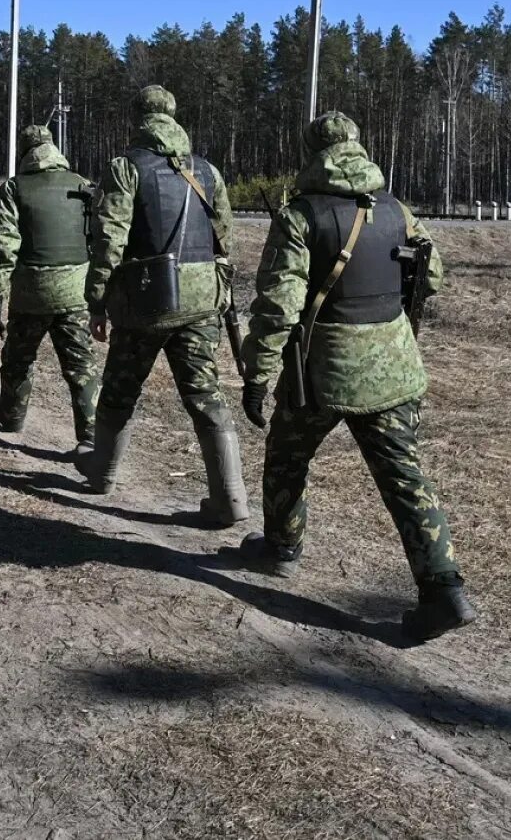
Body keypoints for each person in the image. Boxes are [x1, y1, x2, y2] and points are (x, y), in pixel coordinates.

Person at [238, 111, 476, 643]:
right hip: (394, 368)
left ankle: (280, 548)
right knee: (405, 477)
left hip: (323, 372)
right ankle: (444, 590)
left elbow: (279, 305)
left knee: (287, 456)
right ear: (358, 146)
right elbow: (431, 274)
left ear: (312, 153)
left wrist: (258, 373)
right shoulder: (395, 210)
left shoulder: (301, 216)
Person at [83, 85, 248, 527]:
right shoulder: (208, 171)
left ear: (136, 118)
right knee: (205, 396)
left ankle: (102, 474)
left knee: (120, 388)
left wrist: (97, 300)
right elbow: (224, 238)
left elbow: (109, 240)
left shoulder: (125, 167)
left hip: (145, 299)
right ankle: (230, 499)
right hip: (201, 300)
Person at [0, 123, 99, 455]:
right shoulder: (82, 185)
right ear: (53, 148)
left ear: (24, 152)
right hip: (76, 292)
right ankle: (91, 436)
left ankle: (12, 413)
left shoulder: (14, 188)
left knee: (19, 357)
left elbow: (3, 246)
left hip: (30, 293)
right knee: (81, 365)